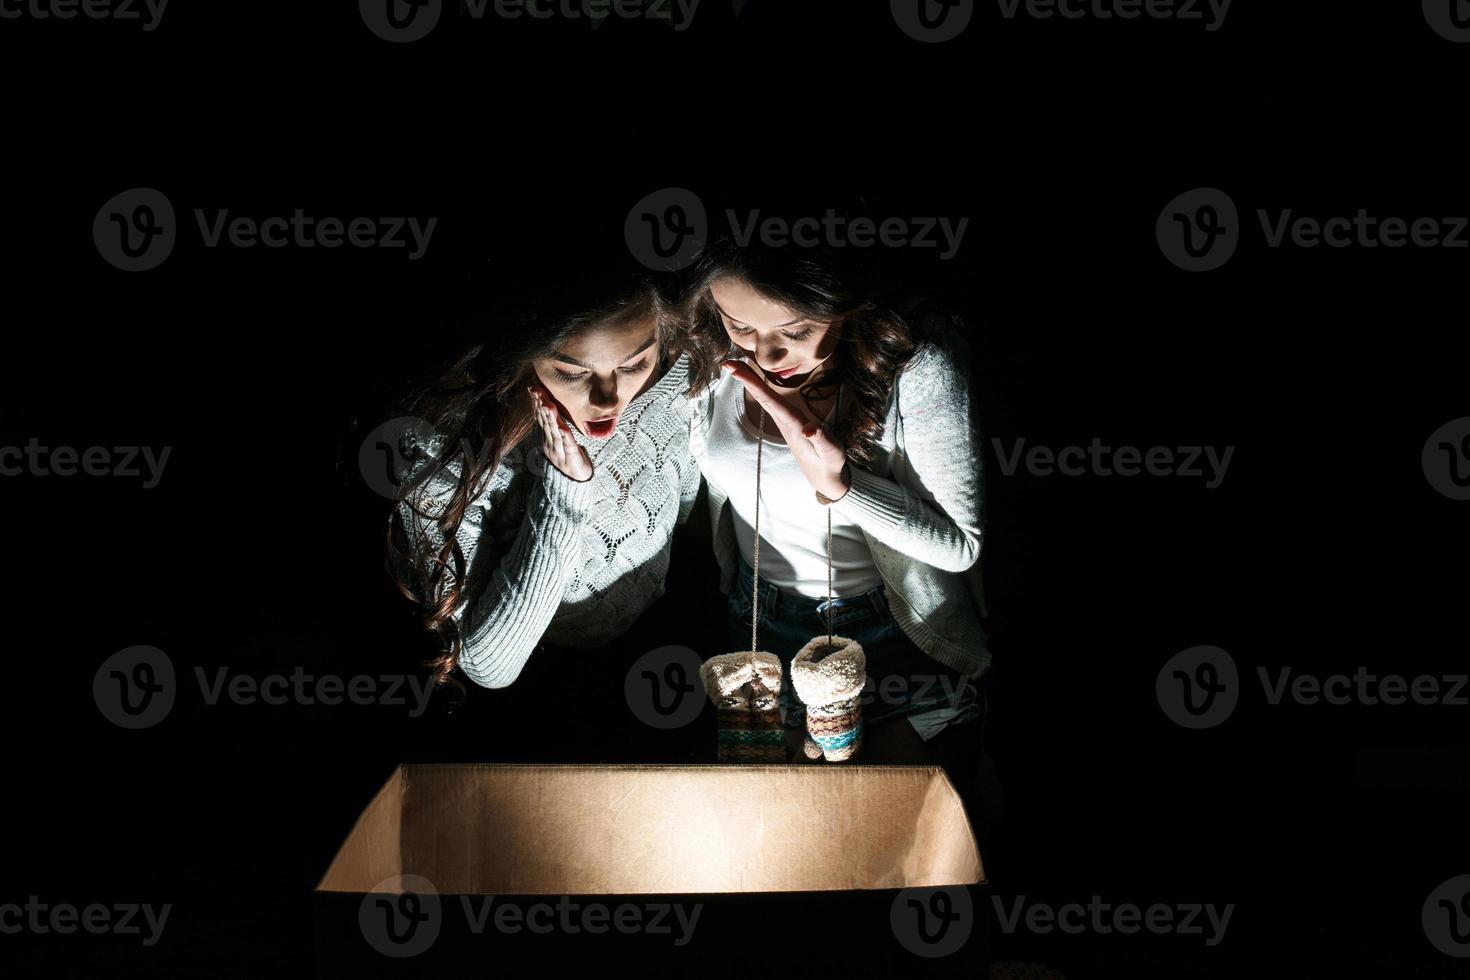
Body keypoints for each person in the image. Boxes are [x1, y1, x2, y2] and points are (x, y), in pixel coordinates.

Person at [683, 238, 992, 771]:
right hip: (759, 619)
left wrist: (840, 483)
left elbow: (961, 545)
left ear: (847, 299)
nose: (765, 354)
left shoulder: (916, 363)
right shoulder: (713, 353)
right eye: (740, 325)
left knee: (899, 823)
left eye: (796, 331)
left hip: (891, 626)